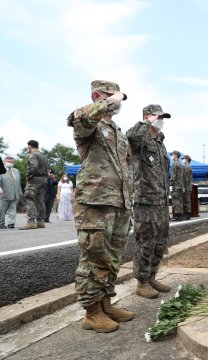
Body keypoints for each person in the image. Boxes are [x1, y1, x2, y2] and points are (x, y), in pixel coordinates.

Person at [66, 80, 134, 333]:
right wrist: (112, 98)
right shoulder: (88, 124)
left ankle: (106, 303)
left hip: (119, 203)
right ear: (98, 96)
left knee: (112, 258)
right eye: (111, 96)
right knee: (93, 258)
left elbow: (126, 167)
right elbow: (80, 117)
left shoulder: (118, 131)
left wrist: (130, 198)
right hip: (95, 202)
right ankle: (92, 312)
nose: (118, 102)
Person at [127, 104, 172, 299]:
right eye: (157, 116)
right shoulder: (140, 138)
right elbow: (130, 136)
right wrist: (146, 123)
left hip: (161, 201)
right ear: (147, 117)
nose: (161, 119)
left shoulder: (160, 142)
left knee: (160, 242)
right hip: (145, 201)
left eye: (162, 117)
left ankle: (152, 276)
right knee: (145, 242)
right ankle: (142, 282)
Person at [20, 140, 49, 230]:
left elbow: (34, 166)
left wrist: (28, 175)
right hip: (43, 179)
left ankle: (31, 222)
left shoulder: (33, 155)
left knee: (28, 198)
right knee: (39, 200)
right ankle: (40, 222)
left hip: (34, 179)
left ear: (29, 146)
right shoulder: (43, 156)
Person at [0, 156, 22, 229]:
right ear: (4, 162)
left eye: (11, 162)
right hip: (3, 194)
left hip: (15, 194)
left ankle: (11, 223)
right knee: (1, 210)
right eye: (8, 161)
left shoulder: (16, 171)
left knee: (13, 209)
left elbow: (18, 182)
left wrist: (20, 192)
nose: (10, 163)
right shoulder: (1, 170)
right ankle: (1, 223)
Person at [170, 150, 184, 221]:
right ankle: (180, 215)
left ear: (175, 155)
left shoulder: (175, 164)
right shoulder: (180, 164)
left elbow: (173, 175)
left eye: (172, 154)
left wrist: (171, 184)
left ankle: (177, 216)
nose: (172, 156)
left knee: (176, 201)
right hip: (180, 185)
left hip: (176, 185)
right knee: (180, 201)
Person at [182, 154, 193, 220]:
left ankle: (187, 215)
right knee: (186, 200)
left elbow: (186, 178)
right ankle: (187, 214)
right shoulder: (187, 166)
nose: (183, 160)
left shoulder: (187, 167)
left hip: (186, 186)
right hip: (187, 186)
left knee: (186, 201)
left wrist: (184, 186)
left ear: (187, 159)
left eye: (184, 158)